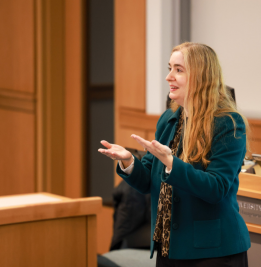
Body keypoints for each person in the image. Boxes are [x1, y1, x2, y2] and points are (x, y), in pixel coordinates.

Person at [98, 42, 251, 267]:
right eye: (170, 68)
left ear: (201, 76)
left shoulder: (228, 123)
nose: (169, 76)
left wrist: (171, 162)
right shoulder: (169, 120)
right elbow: (149, 179)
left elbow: (216, 188)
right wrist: (129, 161)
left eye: (179, 70)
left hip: (212, 253)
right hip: (169, 247)